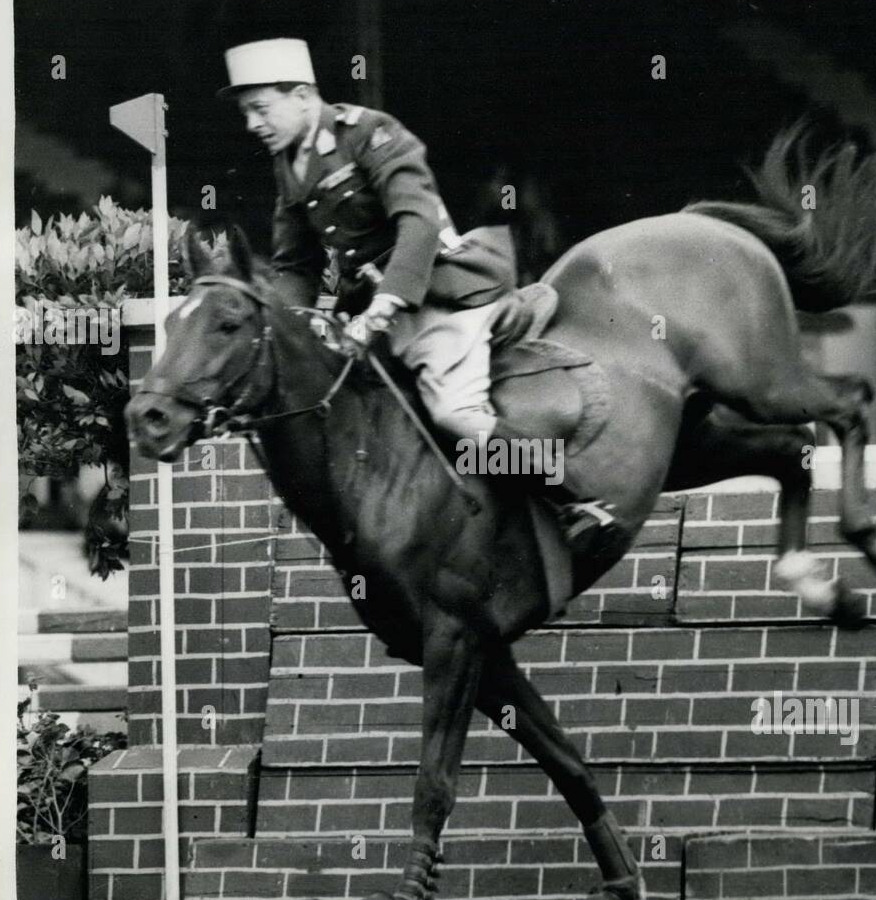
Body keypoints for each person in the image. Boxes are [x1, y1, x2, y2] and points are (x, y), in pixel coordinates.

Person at [218, 37, 619, 551]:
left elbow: (418, 222)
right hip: (372, 313)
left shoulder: (369, 132)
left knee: (456, 415)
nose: (253, 125)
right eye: (247, 114)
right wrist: (297, 319)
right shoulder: (289, 163)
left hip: (438, 293)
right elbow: (296, 261)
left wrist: (385, 303)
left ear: (301, 95)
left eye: (260, 109)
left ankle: (574, 501)